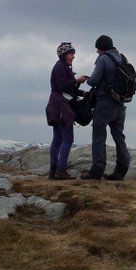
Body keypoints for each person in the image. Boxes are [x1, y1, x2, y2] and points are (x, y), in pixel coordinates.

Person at [81, 35, 130, 180]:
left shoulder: (103, 59)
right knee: (119, 137)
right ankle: (121, 171)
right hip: (120, 104)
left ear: (102, 48)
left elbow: (94, 81)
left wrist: (87, 80)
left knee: (99, 137)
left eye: (98, 49)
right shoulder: (122, 58)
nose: (97, 51)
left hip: (104, 104)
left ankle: (96, 171)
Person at [45, 42, 87, 179]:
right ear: (64, 55)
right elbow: (63, 86)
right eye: (71, 54)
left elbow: (66, 88)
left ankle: (53, 169)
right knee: (68, 138)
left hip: (55, 107)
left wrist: (83, 93)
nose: (73, 56)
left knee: (57, 138)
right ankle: (61, 170)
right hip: (61, 107)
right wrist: (77, 80)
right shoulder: (60, 68)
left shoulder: (60, 67)